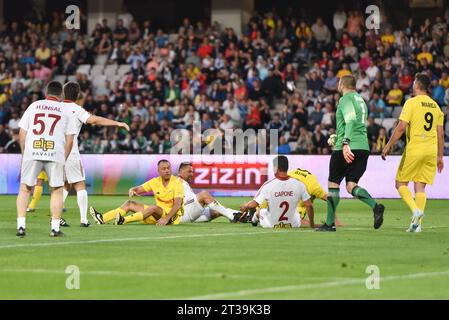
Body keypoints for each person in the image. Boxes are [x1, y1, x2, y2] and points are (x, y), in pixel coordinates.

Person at [317, 75, 385, 232]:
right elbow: (357, 124)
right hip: (363, 147)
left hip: (346, 147)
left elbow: (350, 120)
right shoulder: (361, 100)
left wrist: (345, 142)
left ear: (341, 84)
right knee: (351, 185)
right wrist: (339, 136)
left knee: (333, 185)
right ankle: (375, 206)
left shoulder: (345, 99)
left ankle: (329, 224)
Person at [60, 82, 130, 227]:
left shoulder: (55, 108)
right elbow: (95, 120)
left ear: (63, 94)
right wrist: (117, 123)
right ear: (78, 95)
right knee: (80, 184)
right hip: (70, 150)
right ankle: (83, 220)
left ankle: (56, 217)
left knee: (65, 185)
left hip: (53, 150)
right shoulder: (76, 110)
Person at [382, 73, 444, 232]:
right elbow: (441, 133)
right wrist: (440, 156)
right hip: (430, 150)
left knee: (400, 183)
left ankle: (415, 210)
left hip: (415, 148)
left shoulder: (411, 103)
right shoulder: (436, 106)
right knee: (420, 187)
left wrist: (388, 145)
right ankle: (417, 226)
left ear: (417, 85)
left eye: (414, 83)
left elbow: (401, 127)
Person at [16, 81, 77, 237]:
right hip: (54, 152)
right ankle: (55, 229)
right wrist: (63, 159)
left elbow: (22, 133)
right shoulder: (65, 110)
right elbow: (70, 140)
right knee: (56, 190)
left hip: (33, 150)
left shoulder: (34, 106)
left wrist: (24, 154)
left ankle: (21, 227)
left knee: (25, 189)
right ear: (61, 95)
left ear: (46, 93)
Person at [89, 160, 184, 226]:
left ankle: (124, 220)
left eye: (168, 168)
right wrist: (132, 190)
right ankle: (102, 218)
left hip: (171, 218)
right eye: (164, 169)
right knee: (130, 203)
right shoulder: (155, 181)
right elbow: (137, 189)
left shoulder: (177, 182)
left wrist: (166, 219)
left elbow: (178, 205)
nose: (167, 170)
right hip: (155, 216)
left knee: (153, 208)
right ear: (158, 171)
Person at [239, 156, 314, 229]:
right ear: (287, 167)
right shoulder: (299, 184)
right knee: (296, 214)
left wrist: (245, 206)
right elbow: (309, 206)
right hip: (293, 224)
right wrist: (312, 224)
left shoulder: (268, 185)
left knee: (260, 211)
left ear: (275, 168)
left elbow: (253, 205)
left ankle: (254, 220)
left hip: (271, 224)